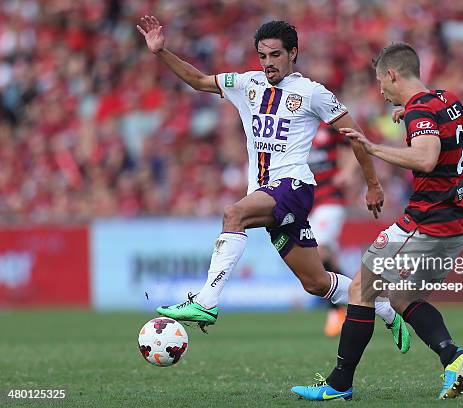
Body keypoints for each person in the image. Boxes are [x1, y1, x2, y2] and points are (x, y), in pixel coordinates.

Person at [136, 16, 409, 352]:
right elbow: (198, 80)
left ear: (293, 53)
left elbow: (355, 136)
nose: (268, 63)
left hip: (293, 186)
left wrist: (373, 184)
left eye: (276, 55)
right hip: (268, 194)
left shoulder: (312, 93)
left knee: (233, 214)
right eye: (263, 56)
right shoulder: (246, 84)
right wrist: (161, 52)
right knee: (316, 282)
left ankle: (206, 301)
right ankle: (383, 306)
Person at [291, 42, 463, 401]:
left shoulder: (421, 111)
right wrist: (413, 117)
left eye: (381, 82)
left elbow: (426, 160)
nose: (381, 90)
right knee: (400, 296)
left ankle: (339, 383)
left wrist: (375, 147)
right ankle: (452, 357)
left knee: (360, 289)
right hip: (455, 223)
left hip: (425, 221)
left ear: (393, 75)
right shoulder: (445, 101)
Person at [308, 124, 354, 336]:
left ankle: (337, 310)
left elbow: (354, 145)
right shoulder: (293, 123)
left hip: (330, 198)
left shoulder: (329, 124)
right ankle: (360, 300)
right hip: (306, 202)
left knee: (319, 252)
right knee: (328, 261)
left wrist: (347, 171)